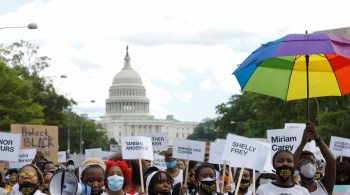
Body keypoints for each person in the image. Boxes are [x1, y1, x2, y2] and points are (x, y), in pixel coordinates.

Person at [293, 122, 336, 194]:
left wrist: (317, 138)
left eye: (312, 161)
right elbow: (290, 166)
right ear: (297, 166)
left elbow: (332, 162)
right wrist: (303, 143)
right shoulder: (292, 186)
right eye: (304, 161)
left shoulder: (324, 185)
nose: (309, 164)